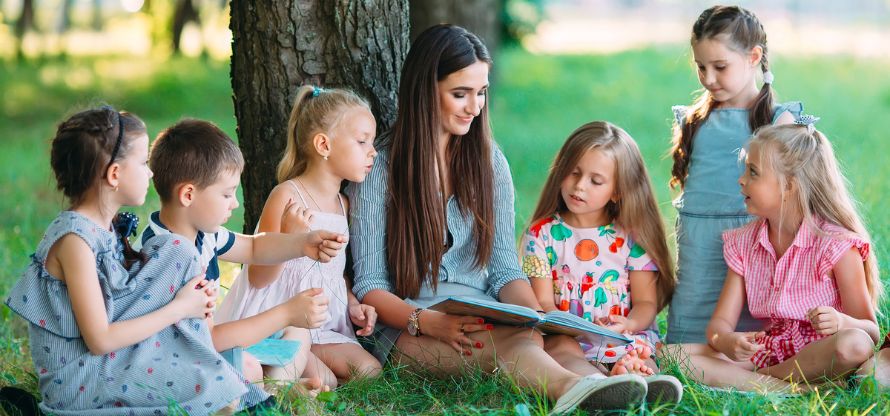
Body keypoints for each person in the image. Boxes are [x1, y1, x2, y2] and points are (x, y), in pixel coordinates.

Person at [346, 24, 652, 413]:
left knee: (540, 339)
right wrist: (429, 322)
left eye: (481, 93)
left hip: (478, 310)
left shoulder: (489, 161)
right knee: (508, 347)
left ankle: (604, 385)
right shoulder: (380, 169)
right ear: (425, 91)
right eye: (460, 94)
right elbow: (370, 283)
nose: (475, 107)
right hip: (406, 324)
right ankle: (574, 389)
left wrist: (532, 313)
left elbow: (505, 265)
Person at [2, 107, 267, 415]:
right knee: (213, 390)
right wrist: (181, 307)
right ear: (114, 174)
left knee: (178, 251)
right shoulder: (75, 241)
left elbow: (127, 297)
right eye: (143, 163)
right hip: (82, 379)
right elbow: (100, 339)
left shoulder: (102, 226)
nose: (151, 173)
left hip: (111, 358)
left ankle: (199, 362)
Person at [667, 120, 883, 392]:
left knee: (854, 344)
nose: (741, 179)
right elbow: (719, 325)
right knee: (668, 355)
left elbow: (870, 332)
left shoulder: (836, 245)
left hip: (820, 353)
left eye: (753, 172)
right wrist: (727, 342)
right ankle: (790, 388)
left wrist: (841, 322)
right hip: (768, 350)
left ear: (789, 186)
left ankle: (758, 381)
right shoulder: (745, 242)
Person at [139, 119, 345, 391]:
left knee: (299, 331)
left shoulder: (203, 233)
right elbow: (210, 339)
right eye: (226, 194)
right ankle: (275, 392)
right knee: (248, 365)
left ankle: (277, 388)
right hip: (177, 362)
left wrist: (301, 243)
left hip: (204, 348)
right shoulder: (169, 255)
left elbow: (253, 247)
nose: (235, 203)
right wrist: (285, 313)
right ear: (188, 194)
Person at [218, 85, 382, 389]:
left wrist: (351, 302)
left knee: (370, 371)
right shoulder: (287, 196)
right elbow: (258, 277)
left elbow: (334, 271)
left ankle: (297, 368)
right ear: (323, 144)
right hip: (281, 320)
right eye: (362, 142)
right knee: (326, 381)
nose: (372, 151)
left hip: (323, 322)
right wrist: (291, 243)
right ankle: (281, 369)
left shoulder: (343, 204)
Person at [666, 5, 804, 344]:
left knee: (753, 335)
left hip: (756, 241)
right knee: (688, 342)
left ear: (754, 56)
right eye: (701, 67)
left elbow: (794, 195)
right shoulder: (694, 120)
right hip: (701, 243)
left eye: (720, 67)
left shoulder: (777, 120)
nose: (709, 78)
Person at [519, 121, 682, 403]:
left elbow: (646, 304)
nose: (579, 186)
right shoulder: (541, 235)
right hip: (568, 336)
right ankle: (595, 386)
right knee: (562, 351)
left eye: (595, 181)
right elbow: (543, 305)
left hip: (621, 335)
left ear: (618, 191)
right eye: (574, 173)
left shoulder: (631, 237)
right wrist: (574, 328)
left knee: (638, 352)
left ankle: (639, 379)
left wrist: (628, 324)